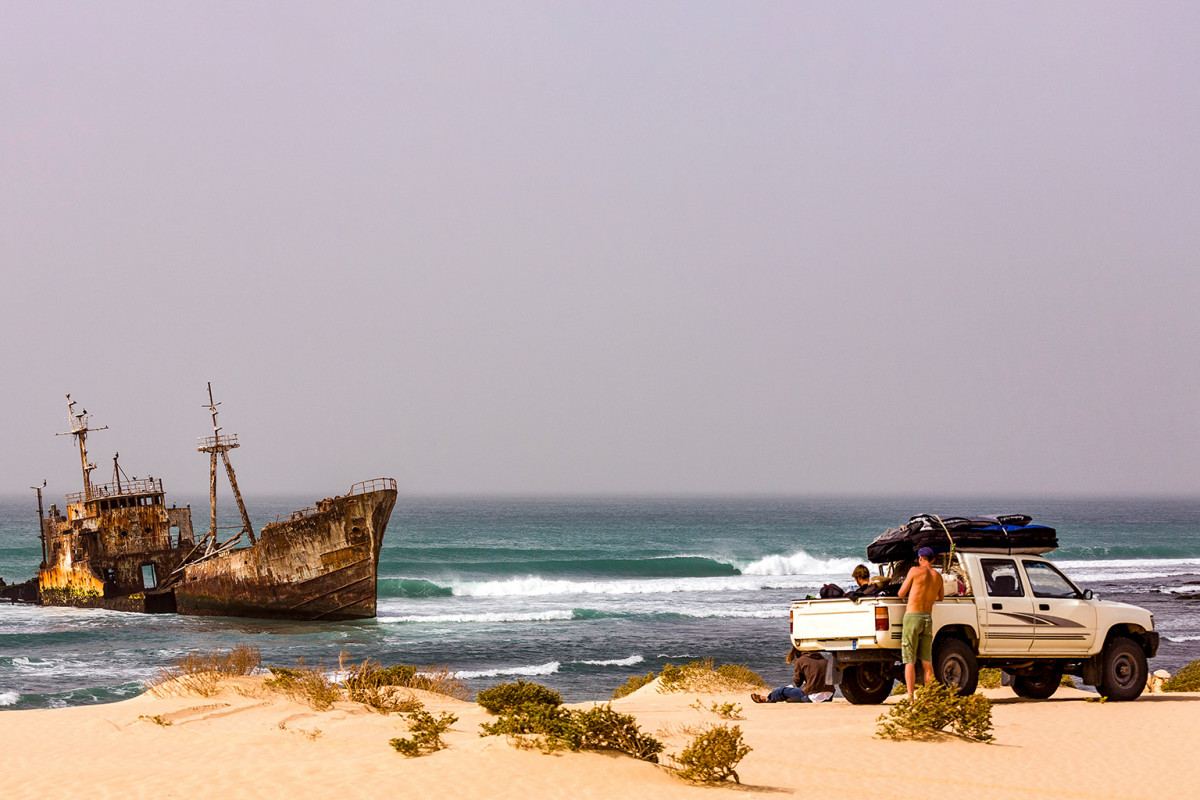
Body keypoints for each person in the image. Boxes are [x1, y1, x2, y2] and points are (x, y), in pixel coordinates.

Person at [898, 546, 944, 697]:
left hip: (913, 616)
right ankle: (928, 699)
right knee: (927, 662)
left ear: (920, 558)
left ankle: (911, 698)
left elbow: (901, 593)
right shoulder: (938, 576)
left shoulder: (914, 571)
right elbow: (941, 597)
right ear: (933, 559)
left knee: (909, 660)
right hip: (927, 618)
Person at [751, 647, 833, 703]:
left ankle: (767, 699)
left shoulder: (801, 660)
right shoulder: (825, 660)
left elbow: (797, 683)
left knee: (781, 690)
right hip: (829, 697)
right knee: (793, 693)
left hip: (812, 697)